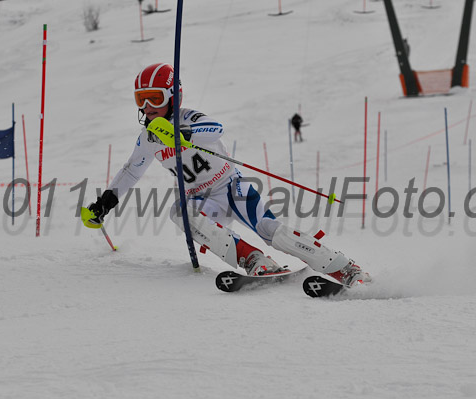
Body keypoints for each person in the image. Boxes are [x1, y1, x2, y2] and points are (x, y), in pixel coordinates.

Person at [85, 63, 370, 285]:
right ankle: (254, 260)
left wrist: (183, 134)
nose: (146, 107)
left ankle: (344, 268)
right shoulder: (148, 138)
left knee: (271, 231)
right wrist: (105, 204)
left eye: (154, 98)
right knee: (181, 213)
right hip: (201, 199)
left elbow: (216, 128)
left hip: (232, 188)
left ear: (173, 96)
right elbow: (130, 172)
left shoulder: (189, 118)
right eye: (141, 99)